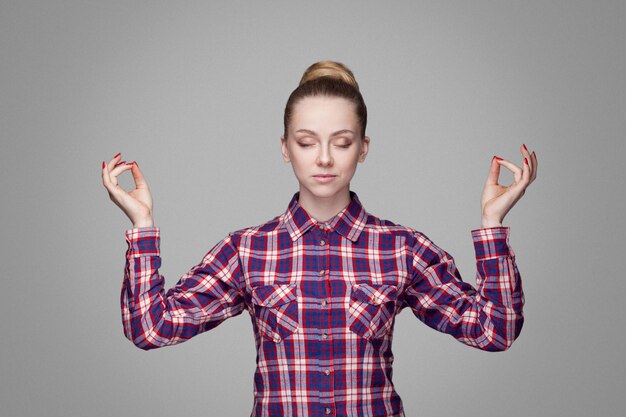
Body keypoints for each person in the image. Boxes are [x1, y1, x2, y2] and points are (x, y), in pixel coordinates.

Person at [101, 61, 538, 417]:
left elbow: (494, 331)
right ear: (285, 147)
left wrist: (492, 223)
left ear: (363, 148)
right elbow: (150, 328)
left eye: (342, 142)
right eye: (307, 142)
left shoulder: (401, 249)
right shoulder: (247, 250)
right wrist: (142, 225)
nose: (325, 158)